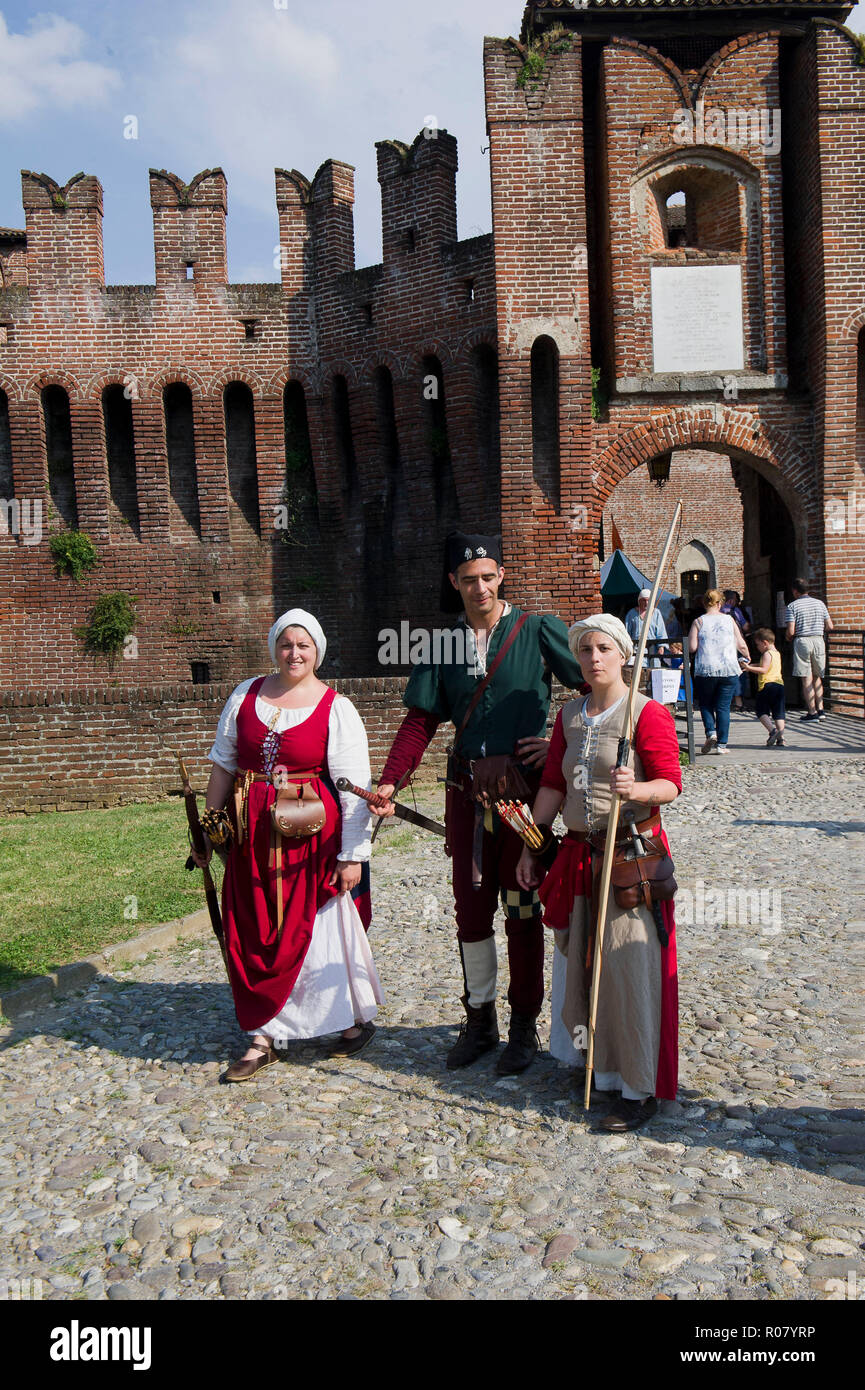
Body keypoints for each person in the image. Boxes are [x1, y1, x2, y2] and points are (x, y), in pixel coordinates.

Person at [371, 532, 582, 1075]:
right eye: (468, 580)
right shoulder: (440, 644)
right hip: (467, 795)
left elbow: (594, 688)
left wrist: (557, 740)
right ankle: (480, 1020)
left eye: (488, 577)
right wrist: (393, 779)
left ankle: (523, 1028)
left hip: (524, 800)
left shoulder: (538, 630)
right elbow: (420, 722)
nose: (480, 587)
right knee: (471, 910)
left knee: (523, 906)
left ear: (501, 576)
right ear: (453, 584)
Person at [191, 608, 383, 1082]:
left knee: (314, 927)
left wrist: (353, 855)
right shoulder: (244, 695)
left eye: (303, 645)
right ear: (274, 647)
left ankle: (343, 1017)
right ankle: (263, 1035)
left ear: (317, 651)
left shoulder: (336, 707)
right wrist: (206, 829)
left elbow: (353, 786)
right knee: (253, 922)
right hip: (252, 833)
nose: (293, 653)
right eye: (285, 643)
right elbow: (223, 764)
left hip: (311, 838)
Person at [515, 614, 681, 1132]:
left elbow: (671, 784)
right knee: (583, 967)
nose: (594, 658)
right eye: (585, 649)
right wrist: (530, 844)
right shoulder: (569, 717)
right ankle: (596, 1067)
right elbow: (552, 786)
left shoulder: (646, 714)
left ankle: (636, 1087)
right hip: (580, 854)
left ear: (623, 653)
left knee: (629, 971)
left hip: (629, 857)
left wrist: (639, 790)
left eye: (604, 648)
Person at [688, 589, 750, 754]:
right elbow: (741, 644)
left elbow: (692, 647)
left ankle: (711, 732)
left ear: (704, 603)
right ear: (719, 603)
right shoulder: (729, 620)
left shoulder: (698, 622)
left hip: (706, 669)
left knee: (706, 704)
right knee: (723, 707)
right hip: (728, 668)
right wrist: (747, 656)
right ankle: (722, 745)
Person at [785, 579, 834, 720]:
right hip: (818, 640)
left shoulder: (792, 606)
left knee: (806, 678)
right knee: (817, 677)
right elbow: (830, 626)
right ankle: (821, 710)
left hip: (802, 641)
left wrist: (788, 637)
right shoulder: (820, 604)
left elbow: (791, 631)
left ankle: (811, 712)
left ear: (795, 591)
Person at [742, 627, 786, 747]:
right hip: (779, 685)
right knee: (778, 713)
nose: (757, 647)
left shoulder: (767, 654)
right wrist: (751, 665)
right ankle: (781, 738)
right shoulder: (777, 654)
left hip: (767, 685)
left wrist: (749, 668)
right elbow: (765, 665)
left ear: (765, 643)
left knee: (761, 710)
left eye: (758, 644)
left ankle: (772, 731)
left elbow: (764, 669)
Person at [721, 590, 751, 712]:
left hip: (721, 647)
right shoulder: (735, 611)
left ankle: (725, 700)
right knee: (738, 671)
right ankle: (739, 702)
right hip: (735, 646)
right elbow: (745, 627)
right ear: (732, 600)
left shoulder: (717, 612)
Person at [625, 588, 668, 673]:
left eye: (648, 600)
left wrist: (661, 646)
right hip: (636, 649)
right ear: (639, 601)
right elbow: (627, 633)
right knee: (637, 673)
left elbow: (661, 631)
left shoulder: (656, 613)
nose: (646, 603)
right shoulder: (631, 614)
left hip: (652, 649)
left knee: (653, 673)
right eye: (643, 600)